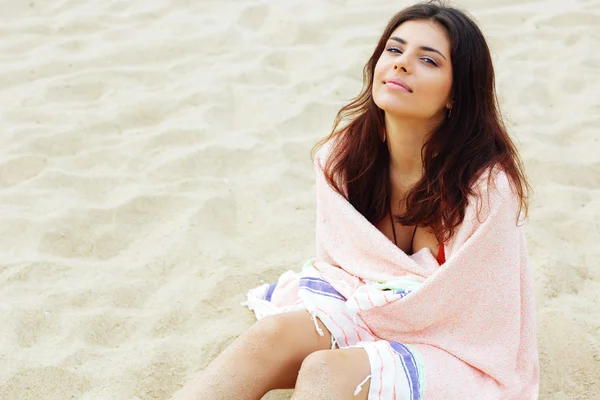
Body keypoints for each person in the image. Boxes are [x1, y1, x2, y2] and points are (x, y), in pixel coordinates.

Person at [173, 1, 539, 399]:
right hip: (365, 308)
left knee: (325, 372)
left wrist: (380, 324)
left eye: (428, 60)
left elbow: (484, 321)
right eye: (394, 50)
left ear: (456, 94)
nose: (401, 64)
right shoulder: (343, 158)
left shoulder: (486, 189)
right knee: (272, 334)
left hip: (452, 345)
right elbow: (341, 272)